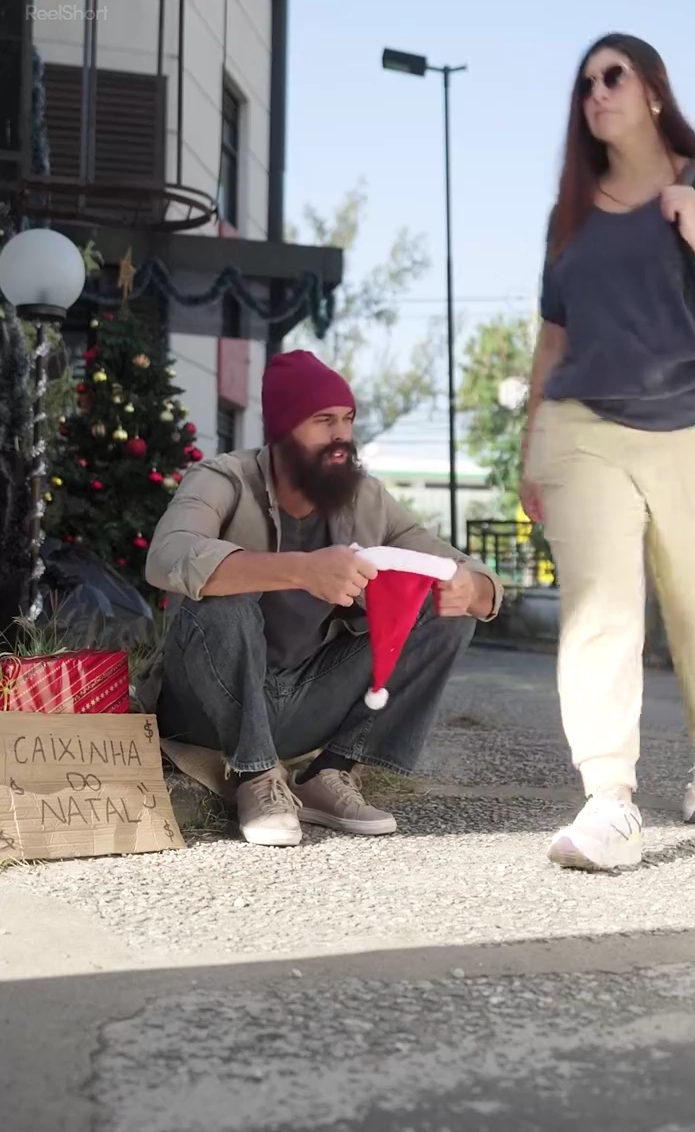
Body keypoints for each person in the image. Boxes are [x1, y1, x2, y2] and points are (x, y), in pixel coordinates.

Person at [146, 349, 502, 847]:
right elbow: (168, 554)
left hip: (307, 698)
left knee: (442, 603)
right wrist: (302, 571)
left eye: (348, 420)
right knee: (225, 597)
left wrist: (477, 589)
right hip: (206, 705)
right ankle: (256, 776)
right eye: (323, 421)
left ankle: (329, 773)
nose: (341, 436)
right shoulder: (224, 479)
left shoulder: (364, 497)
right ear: (284, 429)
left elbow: (454, 563)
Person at [521, 32, 695, 872]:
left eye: (614, 76)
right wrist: (530, 441)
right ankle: (610, 799)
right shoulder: (567, 216)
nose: (596, 92)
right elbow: (552, 336)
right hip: (584, 427)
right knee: (601, 606)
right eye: (585, 83)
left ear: (651, 90)